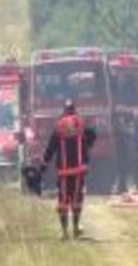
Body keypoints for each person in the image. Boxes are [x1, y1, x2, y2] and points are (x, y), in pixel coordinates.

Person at [42, 98, 96, 239]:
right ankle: (76, 228)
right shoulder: (80, 123)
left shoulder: (59, 126)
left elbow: (51, 147)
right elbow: (92, 135)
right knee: (77, 199)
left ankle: (64, 232)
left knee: (63, 201)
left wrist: (44, 164)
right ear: (74, 109)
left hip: (64, 171)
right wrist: (87, 148)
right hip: (78, 170)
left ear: (64, 111)